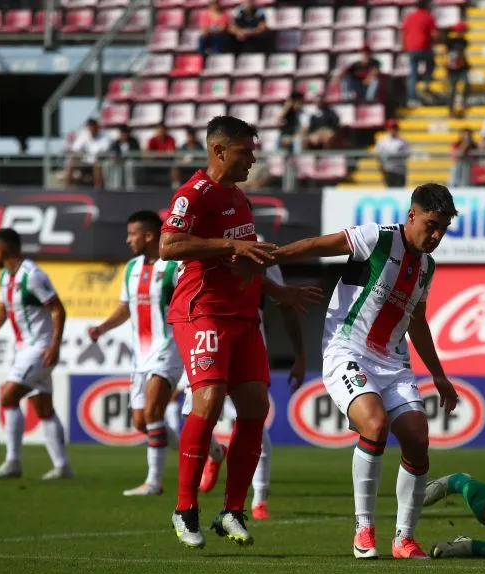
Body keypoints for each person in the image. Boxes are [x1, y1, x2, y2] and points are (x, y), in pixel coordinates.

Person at [271, 184, 461, 560]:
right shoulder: (376, 238)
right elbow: (318, 246)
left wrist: (438, 374)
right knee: (375, 425)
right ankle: (364, 529)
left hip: (393, 363)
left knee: (417, 439)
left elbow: (416, 321)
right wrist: (272, 257)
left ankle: (404, 538)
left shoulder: (426, 266)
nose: (436, 235)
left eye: (443, 228)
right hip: (347, 351)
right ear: (412, 215)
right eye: (432, 224)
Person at [158, 115, 279, 550]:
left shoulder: (239, 198)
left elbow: (242, 260)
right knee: (207, 402)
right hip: (202, 311)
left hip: (244, 316)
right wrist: (229, 246)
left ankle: (231, 510)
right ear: (219, 150)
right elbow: (168, 246)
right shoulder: (195, 194)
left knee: (254, 409)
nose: (252, 159)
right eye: (245, 151)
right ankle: (185, 507)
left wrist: (278, 292)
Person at [87, 210, 219, 496]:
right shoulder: (131, 267)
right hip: (140, 354)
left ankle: (154, 482)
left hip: (168, 347)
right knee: (141, 421)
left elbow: (194, 298)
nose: (127, 240)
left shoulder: (174, 266)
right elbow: (125, 307)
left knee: (153, 412)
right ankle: (213, 448)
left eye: (132, 234)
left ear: (148, 236)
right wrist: (102, 328)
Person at [193, 248, 318, 519]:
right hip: (205, 331)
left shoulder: (260, 249)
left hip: (247, 335)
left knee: (251, 419)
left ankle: (259, 498)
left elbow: (283, 301)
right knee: (192, 415)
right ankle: (215, 455)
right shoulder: (202, 241)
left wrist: (300, 354)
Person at [0, 229, 71, 481]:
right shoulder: (5, 277)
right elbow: (2, 312)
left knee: (8, 396)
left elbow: (58, 309)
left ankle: (13, 461)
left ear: (2, 250)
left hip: (39, 349)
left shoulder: (32, 275)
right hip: (24, 349)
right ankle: (62, 466)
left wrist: (54, 345)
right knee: (43, 408)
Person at [401, 0, 438, 107]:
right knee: (431, 64)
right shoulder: (428, 16)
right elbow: (435, 34)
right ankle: (426, 82)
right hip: (424, 47)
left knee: (413, 74)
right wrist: (435, 42)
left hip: (411, 49)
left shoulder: (410, 16)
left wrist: (404, 47)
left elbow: (403, 32)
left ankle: (411, 99)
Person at [64, 118, 107, 189]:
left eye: (92, 127)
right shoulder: (84, 134)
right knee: (72, 161)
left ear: (96, 127)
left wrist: (90, 154)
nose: (91, 129)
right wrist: (80, 153)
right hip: (85, 162)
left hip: (97, 162)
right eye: (89, 127)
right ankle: (66, 189)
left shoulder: (104, 135)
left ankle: (98, 190)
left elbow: (103, 150)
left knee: (97, 164)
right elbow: (76, 148)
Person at [444, 22, 470, 116]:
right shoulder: (450, 41)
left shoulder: (464, 41)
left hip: (462, 67)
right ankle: (451, 110)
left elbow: (463, 54)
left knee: (466, 83)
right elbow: (447, 55)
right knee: (453, 90)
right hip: (453, 68)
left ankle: (463, 101)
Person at [375, 119, 409, 188]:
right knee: (390, 190)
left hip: (400, 170)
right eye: (391, 127)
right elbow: (378, 156)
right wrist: (381, 168)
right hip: (388, 170)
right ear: (387, 129)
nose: (393, 129)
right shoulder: (382, 141)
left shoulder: (403, 141)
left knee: (400, 190)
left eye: (394, 127)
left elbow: (407, 154)